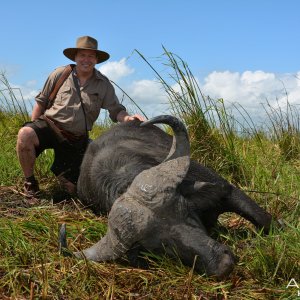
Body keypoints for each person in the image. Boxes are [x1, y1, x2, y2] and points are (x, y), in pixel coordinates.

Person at [16, 35, 145, 198]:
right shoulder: (60, 74)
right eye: (82, 55)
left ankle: (65, 178)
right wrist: (34, 131)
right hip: (50, 125)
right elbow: (41, 103)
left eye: (91, 56)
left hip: (75, 139)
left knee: (72, 191)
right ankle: (30, 184)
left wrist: (128, 119)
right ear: (75, 57)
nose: (86, 59)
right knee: (25, 134)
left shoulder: (103, 84)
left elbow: (116, 110)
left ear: (96, 59)